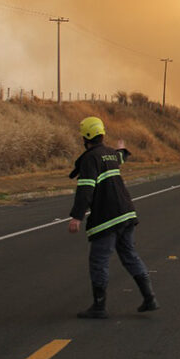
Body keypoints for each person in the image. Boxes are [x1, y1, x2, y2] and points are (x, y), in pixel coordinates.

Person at [68, 116, 158, 318]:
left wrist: (77, 217)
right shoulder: (109, 153)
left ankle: (99, 307)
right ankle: (149, 298)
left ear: (86, 136)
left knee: (99, 260)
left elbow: (86, 189)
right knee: (129, 255)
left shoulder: (90, 158)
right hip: (126, 213)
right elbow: (119, 158)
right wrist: (122, 149)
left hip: (107, 218)